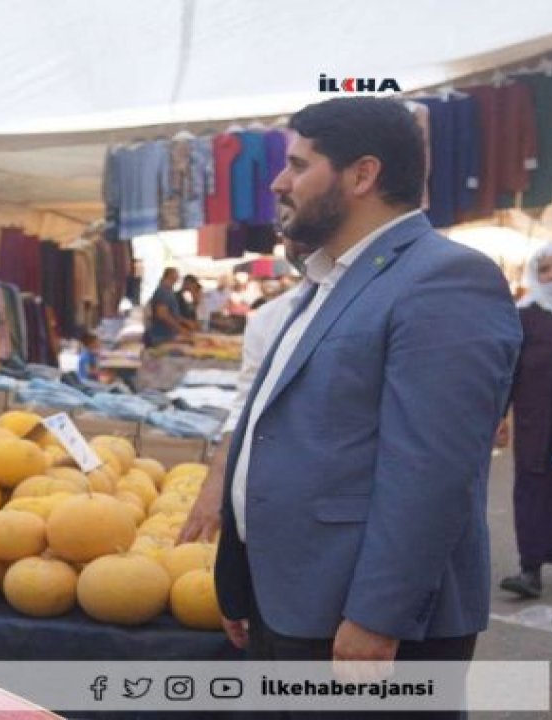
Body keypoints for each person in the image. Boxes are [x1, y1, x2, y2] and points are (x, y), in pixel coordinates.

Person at [213, 97, 520, 708]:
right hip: (296, 601)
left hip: (362, 620)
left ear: (361, 175)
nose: (278, 182)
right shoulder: (333, 278)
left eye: (299, 166)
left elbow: (434, 470)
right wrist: (240, 579)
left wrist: (380, 615)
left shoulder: (444, 278)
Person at [178, 238, 311, 544]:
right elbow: (244, 406)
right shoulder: (269, 318)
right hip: (268, 516)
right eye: (285, 226)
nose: (294, 237)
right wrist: (216, 484)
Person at [498, 243, 552, 598]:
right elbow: (508, 370)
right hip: (537, 425)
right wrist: (499, 415)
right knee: (532, 488)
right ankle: (530, 569)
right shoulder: (524, 317)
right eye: (546, 270)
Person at [144, 268, 195, 346]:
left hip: (167, 336)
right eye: (176, 276)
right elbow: (162, 315)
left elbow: (173, 314)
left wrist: (185, 322)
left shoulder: (168, 291)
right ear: (171, 276)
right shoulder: (163, 291)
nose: (178, 279)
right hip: (160, 336)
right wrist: (180, 329)